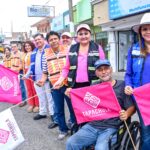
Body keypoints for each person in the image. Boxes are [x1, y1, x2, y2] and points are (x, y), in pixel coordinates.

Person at [66, 59, 135, 150]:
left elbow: (132, 107)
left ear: (111, 69)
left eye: (106, 68)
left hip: (112, 127)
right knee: (71, 142)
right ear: (96, 73)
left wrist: (126, 114)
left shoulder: (122, 85)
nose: (103, 72)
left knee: (100, 148)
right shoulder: (93, 86)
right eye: (100, 70)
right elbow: (84, 101)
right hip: (93, 125)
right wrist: (72, 95)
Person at [37, 31, 76, 140]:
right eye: (51, 40)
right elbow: (45, 72)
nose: (53, 41)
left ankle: (74, 127)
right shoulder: (45, 54)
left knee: (72, 107)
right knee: (58, 109)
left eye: (55, 39)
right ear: (48, 42)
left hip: (67, 84)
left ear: (59, 39)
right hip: (55, 86)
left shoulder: (68, 50)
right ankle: (63, 130)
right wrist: (42, 80)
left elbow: (73, 67)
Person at [125, 13, 150, 150]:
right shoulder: (133, 50)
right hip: (142, 101)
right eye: (145, 29)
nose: (148, 31)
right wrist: (128, 85)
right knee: (146, 134)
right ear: (140, 31)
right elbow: (128, 74)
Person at [23, 33, 57, 126]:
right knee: (41, 98)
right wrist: (27, 75)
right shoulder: (34, 51)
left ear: (43, 39)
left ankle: (53, 114)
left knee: (50, 98)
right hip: (36, 79)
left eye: (39, 39)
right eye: (36, 40)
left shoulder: (49, 49)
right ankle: (42, 112)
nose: (38, 41)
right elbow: (31, 66)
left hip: (47, 79)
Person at [22, 41, 39, 113]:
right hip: (25, 72)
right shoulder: (24, 54)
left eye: (29, 45)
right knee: (29, 89)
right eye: (26, 46)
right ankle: (31, 104)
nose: (27, 47)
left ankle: (37, 105)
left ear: (32, 46)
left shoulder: (34, 53)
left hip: (32, 72)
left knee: (34, 89)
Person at [11, 43, 27, 107]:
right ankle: (18, 100)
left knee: (21, 86)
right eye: (12, 47)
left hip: (19, 72)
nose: (13, 48)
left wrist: (17, 70)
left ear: (17, 47)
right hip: (13, 72)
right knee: (16, 87)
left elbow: (22, 64)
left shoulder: (21, 54)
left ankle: (23, 100)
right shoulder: (12, 54)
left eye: (14, 46)